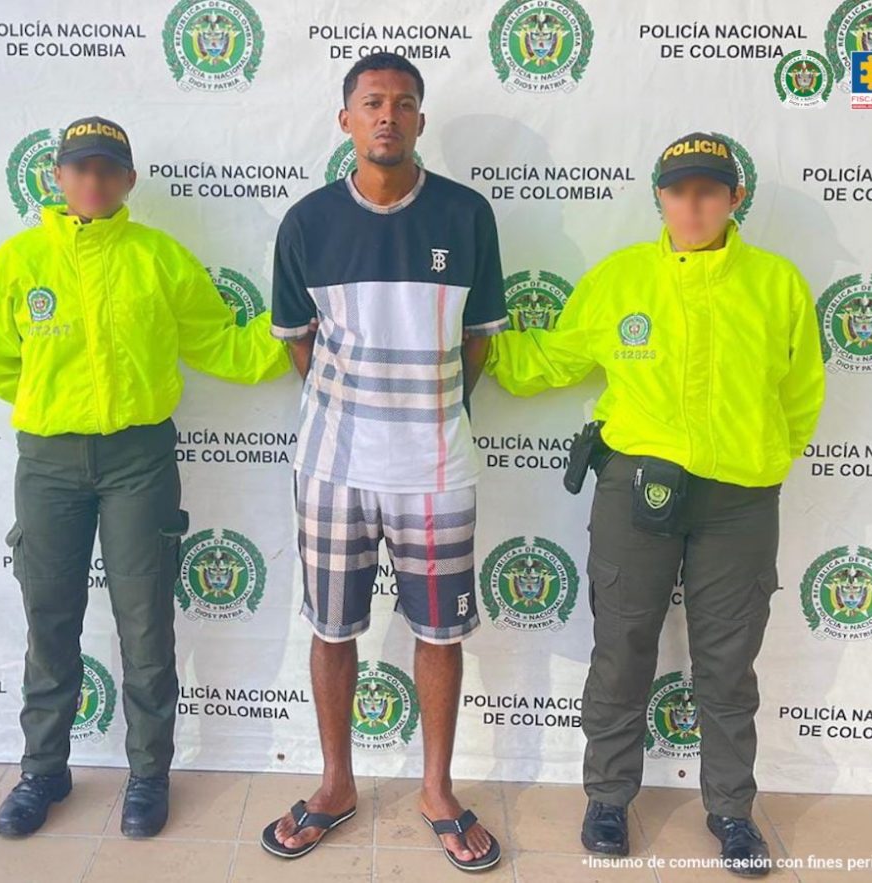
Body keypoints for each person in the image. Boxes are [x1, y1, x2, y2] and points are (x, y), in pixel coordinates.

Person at [486, 133, 825, 877]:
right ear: (660, 198)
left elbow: (801, 397)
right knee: (623, 647)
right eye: (679, 189)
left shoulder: (777, 283)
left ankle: (732, 811)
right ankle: (608, 798)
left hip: (740, 498)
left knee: (728, 663)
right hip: (635, 489)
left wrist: (763, 456)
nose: (693, 204)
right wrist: (464, 340)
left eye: (709, 189)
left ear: (736, 198)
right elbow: (551, 358)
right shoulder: (621, 278)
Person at [0, 116, 290, 839]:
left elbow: (223, 344)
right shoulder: (20, 261)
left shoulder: (160, 258)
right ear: (56, 176)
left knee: (146, 620)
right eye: (80, 167)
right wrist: (60, 404)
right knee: (49, 619)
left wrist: (294, 328)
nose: (93, 180)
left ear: (129, 180)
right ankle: (42, 771)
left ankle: (148, 774)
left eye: (108, 168)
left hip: (138, 460)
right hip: (49, 462)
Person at [260, 54, 507, 872]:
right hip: (333, 467)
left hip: (437, 467)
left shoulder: (467, 216)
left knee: (439, 633)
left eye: (403, 103)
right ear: (346, 120)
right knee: (332, 629)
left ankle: (437, 789)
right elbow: (299, 343)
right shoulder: (305, 223)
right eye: (372, 103)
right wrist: (355, 408)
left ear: (421, 120)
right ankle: (336, 784)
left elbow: (478, 338)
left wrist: (428, 409)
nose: (388, 117)